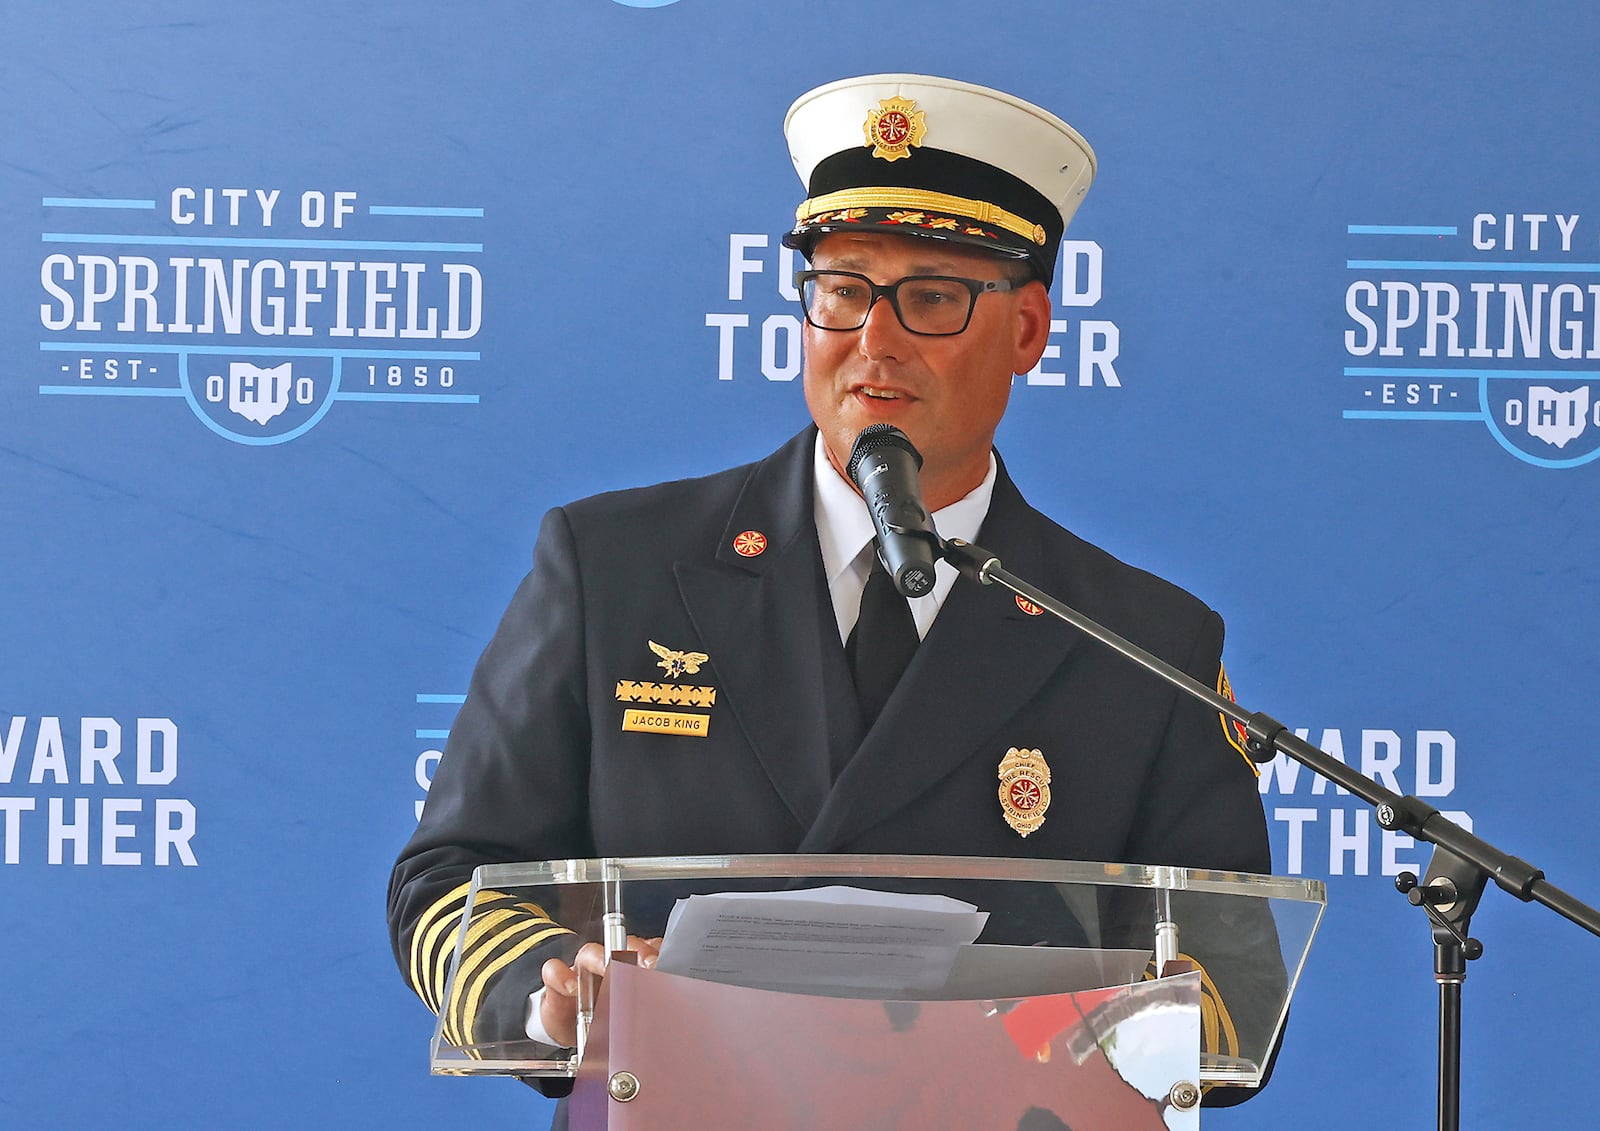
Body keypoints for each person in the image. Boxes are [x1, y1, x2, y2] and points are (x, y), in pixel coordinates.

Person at [388, 73, 1273, 1108]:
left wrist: (1093, 1032)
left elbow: (1233, 981)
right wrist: (546, 1000)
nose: (874, 340)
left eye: (932, 296)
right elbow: (451, 879)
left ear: (1028, 329)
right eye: (842, 289)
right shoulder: (614, 568)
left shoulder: (1140, 637)